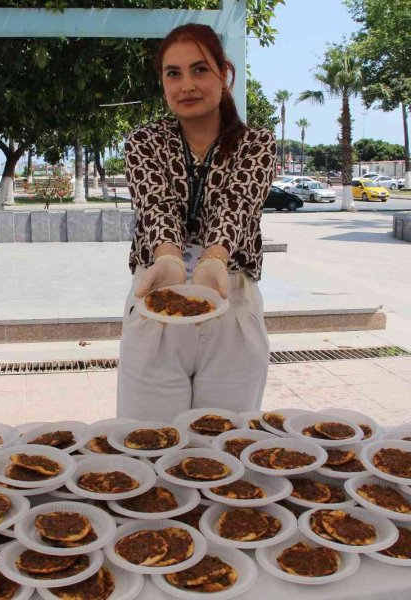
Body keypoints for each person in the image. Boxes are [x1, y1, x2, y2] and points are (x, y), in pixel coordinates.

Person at [116, 24, 276, 421]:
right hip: (157, 307)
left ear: (224, 74)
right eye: (174, 73)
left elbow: (237, 206)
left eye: (199, 69)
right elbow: (157, 206)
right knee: (147, 444)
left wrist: (213, 260)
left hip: (231, 305)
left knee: (225, 448)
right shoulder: (144, 142)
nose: (186, 84)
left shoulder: (257, 144)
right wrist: (168, 258)